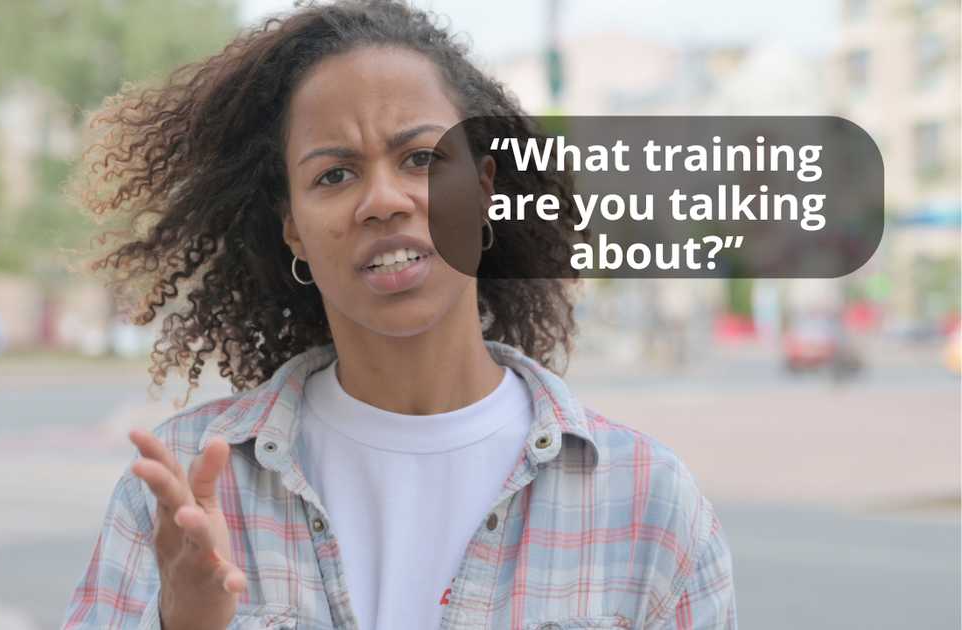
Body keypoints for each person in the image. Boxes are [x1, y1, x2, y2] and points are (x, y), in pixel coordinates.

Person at [61, 1, 737, 628]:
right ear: (292, 227)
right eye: (334, 175)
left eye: (420, 158)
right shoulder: (181, 496)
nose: (383, 200)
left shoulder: (646, 501)